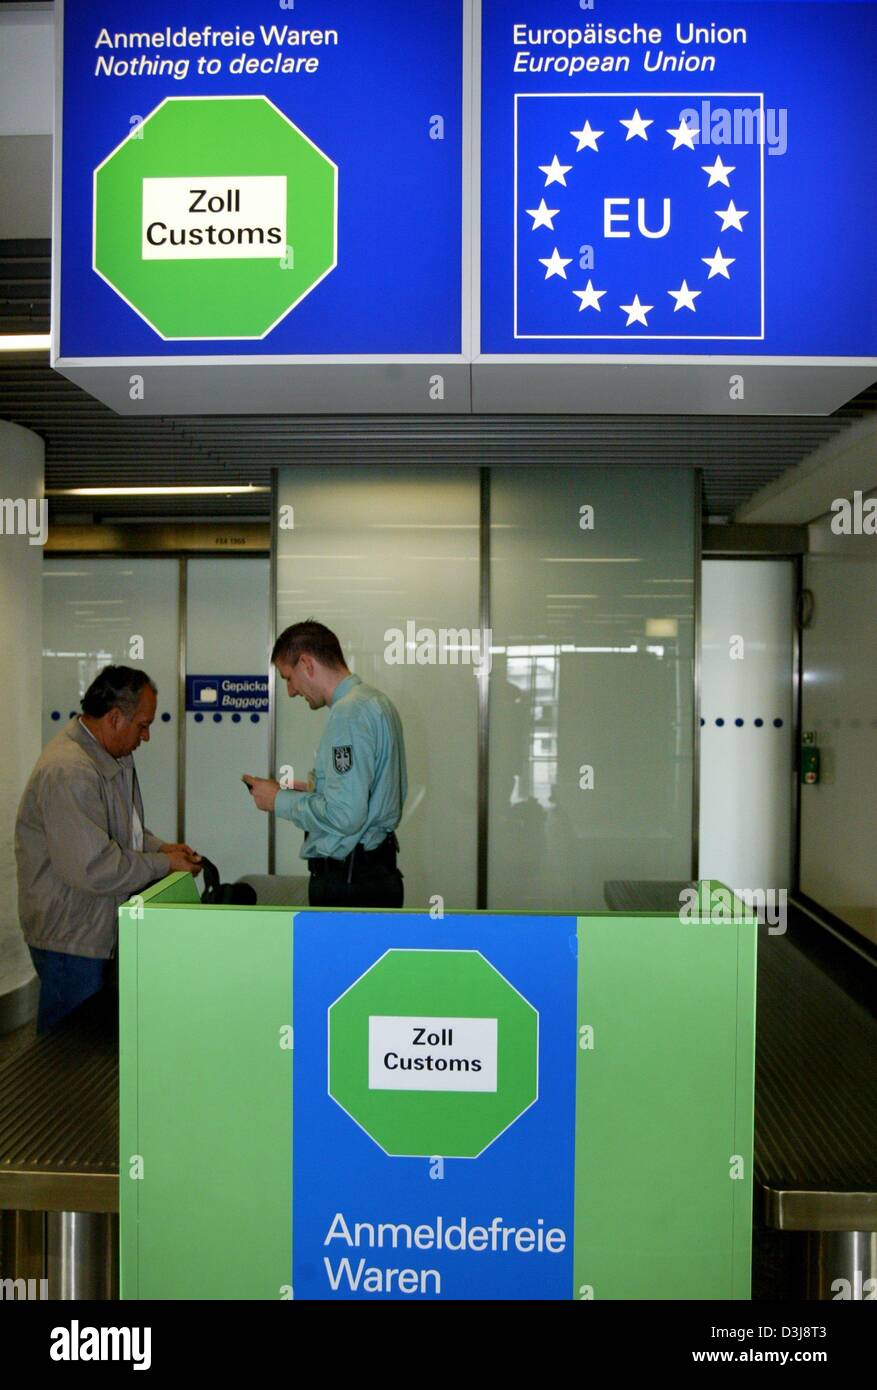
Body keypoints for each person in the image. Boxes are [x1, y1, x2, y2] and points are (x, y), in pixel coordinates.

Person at [16, 665, 201, 1031]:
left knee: (92, 1049)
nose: (146, 736)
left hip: (95, 929)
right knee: (68, 1055)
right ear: (115, 718)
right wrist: (164, 864)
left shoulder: (111, 758)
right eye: (143, 725)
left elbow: (121, 834)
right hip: (70, 940)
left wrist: (164, 849)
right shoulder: (70, 771)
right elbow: (93, 867)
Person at [243, 621, 406, 908]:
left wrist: (278, 801)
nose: (291, 692)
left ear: (306, 663)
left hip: (349, 883)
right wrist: (312, 791)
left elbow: (346, 816)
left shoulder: (349, 714)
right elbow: (364, 791)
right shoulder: (376, 702)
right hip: (374, 874)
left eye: (288, 678)